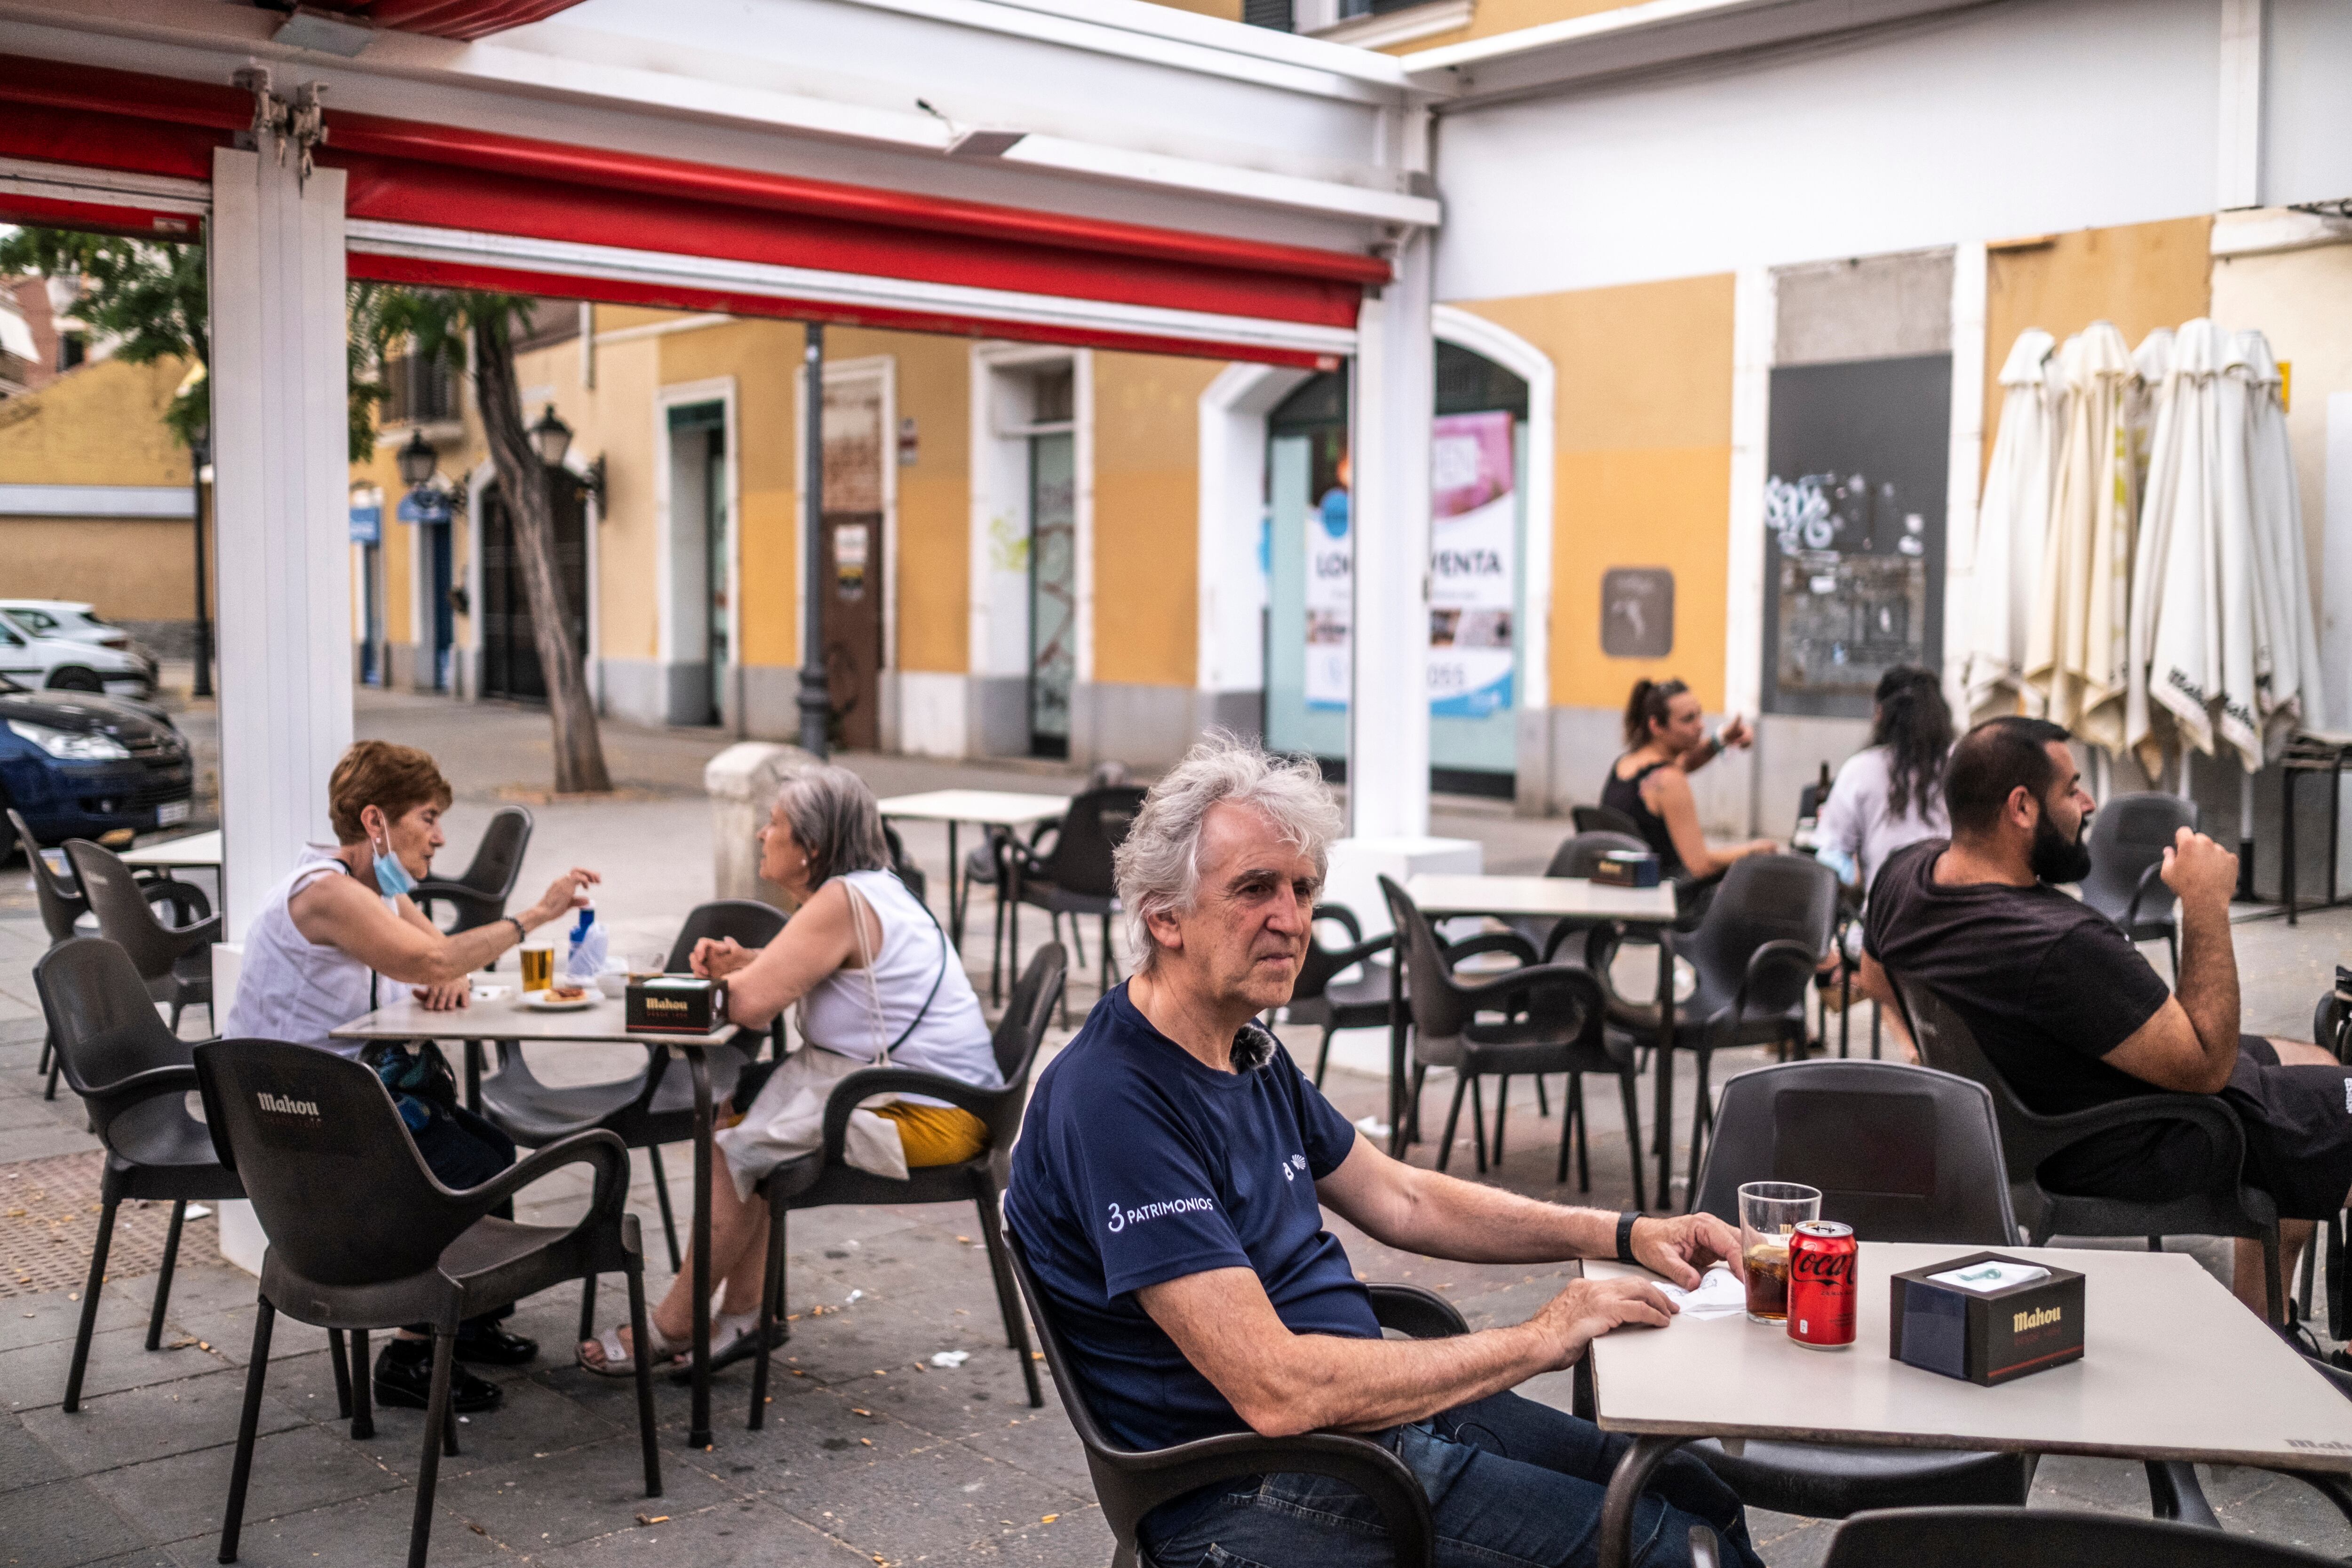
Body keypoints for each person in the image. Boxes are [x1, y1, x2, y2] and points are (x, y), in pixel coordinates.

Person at [1008, 735, 1762, 1568]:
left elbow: (1403, 1198)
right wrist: (1539, 1335)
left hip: (1366, 1416)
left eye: (1303, 889)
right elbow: (1276, 1387)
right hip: (1254, 1483)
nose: (1292, 920)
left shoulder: (1242, 1047)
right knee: (1676, 1551)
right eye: (1255, 888)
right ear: (1163, 915)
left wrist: (1620, 1231)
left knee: (1696, 1493)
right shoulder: (1115, 1099)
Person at [1859, 716, 2352, 1317]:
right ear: (2020, 808)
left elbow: (1871, 970)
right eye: (2070, 789)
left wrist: (1919, 1045)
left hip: (2020, 1120)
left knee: (2315, 1065)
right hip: (2122, 1139)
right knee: (2339, 1106)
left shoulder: (1904, 877)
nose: (2087, 802)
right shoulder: (2059, 944)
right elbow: (2203, 1067)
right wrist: (2203, 903)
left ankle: (2266, 1329)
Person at [579, 764, 1002, 1376]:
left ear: (811, 848)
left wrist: (737, 976)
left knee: (735, 1145)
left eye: (774, 823)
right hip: (938, 1097)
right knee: (741, 1107)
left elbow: (751, 1005)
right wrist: (748, 960)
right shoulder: (867, 887)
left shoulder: (842, 900)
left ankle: (675, 1322)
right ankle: (744, 1313)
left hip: (932, 1115)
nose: (760, 833)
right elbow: (815, 965)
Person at [223, 740, 600, 1412]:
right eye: (427, 817)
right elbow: (432, 963)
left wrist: (441, 970)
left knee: (487, 1147)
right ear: (377, 822)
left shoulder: (374, 889)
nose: (440, 835)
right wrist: (535, 916)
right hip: (290, 1118)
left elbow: (437, 959)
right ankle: (412, 1351)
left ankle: (469, 1320)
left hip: (326, 1097)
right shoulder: (325, 892)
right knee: (456, 1161)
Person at [1604, 678, 1775, 915]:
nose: (1700, 726)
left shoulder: (1626, 765)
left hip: (1624, 891)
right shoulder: (1669, 780)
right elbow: (1701, 866)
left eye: (1699, 715)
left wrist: (1723, 738)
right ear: (1656, 726)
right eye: (1688, 719)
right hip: (1667, 900)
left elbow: (1688, 761)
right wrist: (1755, 850)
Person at [1813, 665, 1953, 897]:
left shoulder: (1861, 770)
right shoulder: (1963, 764)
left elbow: (1830, 857)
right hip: (1956, 922)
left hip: (1882, 924)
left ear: (1881, 714)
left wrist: (1859, 874)